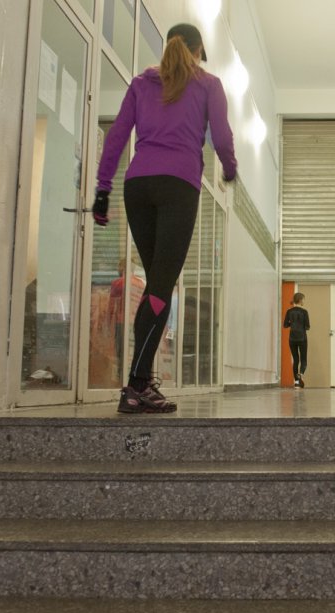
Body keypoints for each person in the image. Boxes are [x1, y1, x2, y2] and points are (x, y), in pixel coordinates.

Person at [92, 23, 236, 413]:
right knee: (160, 285)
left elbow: (117, 135)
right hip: (177, 186)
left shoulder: (142, 83)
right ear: (198, 50)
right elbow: (222, 136)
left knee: (158, 283)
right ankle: (137, 386)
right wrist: (229, 168)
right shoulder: (208, 84)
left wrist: (102, 189)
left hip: (137, 186)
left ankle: (141, 383)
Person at [283, 292, 310, 388]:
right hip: (302, 338)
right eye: (303, 299)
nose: (304, 301)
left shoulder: (289, 311)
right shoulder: (304, 312)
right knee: (303, 359)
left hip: (292, 338)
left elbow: (285, 325)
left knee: (296, 359)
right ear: (300, 300)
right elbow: (307, 327)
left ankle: (297, 382)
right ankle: (301, 374)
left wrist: (292, 324)